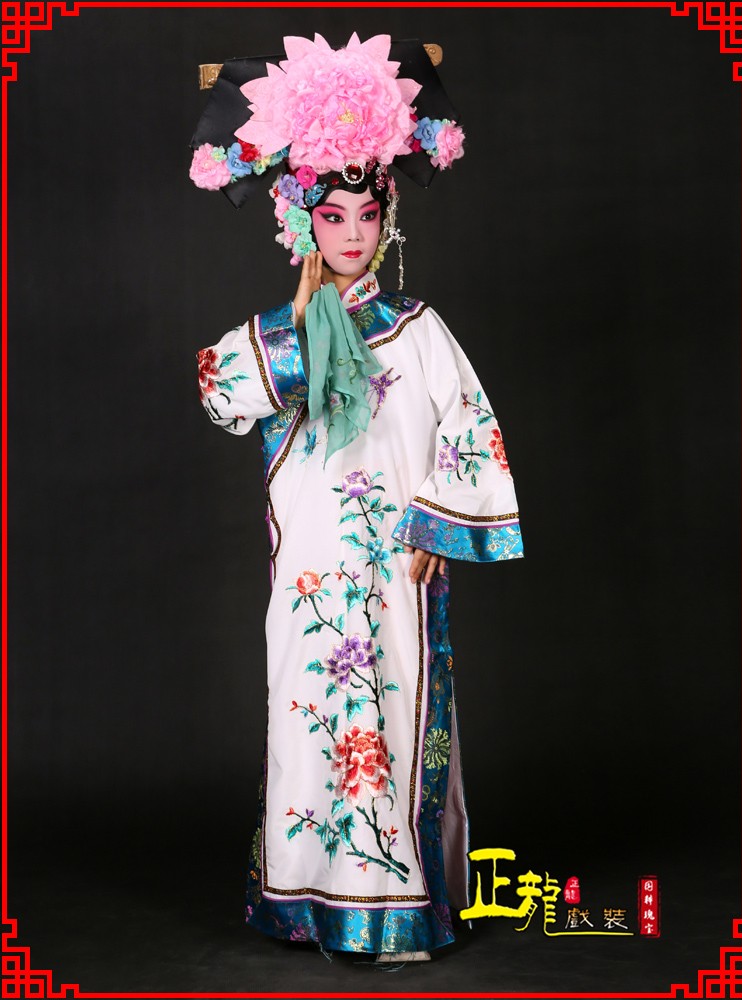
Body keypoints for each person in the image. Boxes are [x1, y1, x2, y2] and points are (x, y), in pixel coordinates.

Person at [191, 31, 524, 962]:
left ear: (387, 221)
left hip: (395, 567)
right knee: (311, 722)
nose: (349, 233)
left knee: (398, 710)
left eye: (366, 215)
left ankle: (398, 905)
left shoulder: (417, 330)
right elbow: (218, 390)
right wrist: (299, 325)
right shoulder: (285, 334)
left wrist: (435, 526)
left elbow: (470, 426)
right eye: (331, 216)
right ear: (301, 223)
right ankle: (307, 900)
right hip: (311, 572)